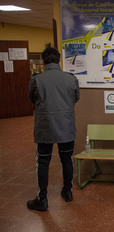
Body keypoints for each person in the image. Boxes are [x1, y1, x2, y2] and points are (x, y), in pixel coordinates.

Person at [27, 47, 80, 211]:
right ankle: (68, 192)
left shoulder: (37, 79)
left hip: (45, 127)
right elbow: (75, 98)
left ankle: (42, 198)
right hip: (66, 126)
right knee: (67, 159)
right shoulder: (71, 79)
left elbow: (31, 99)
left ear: (44, 61)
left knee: (43, 162)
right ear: (59, 60)